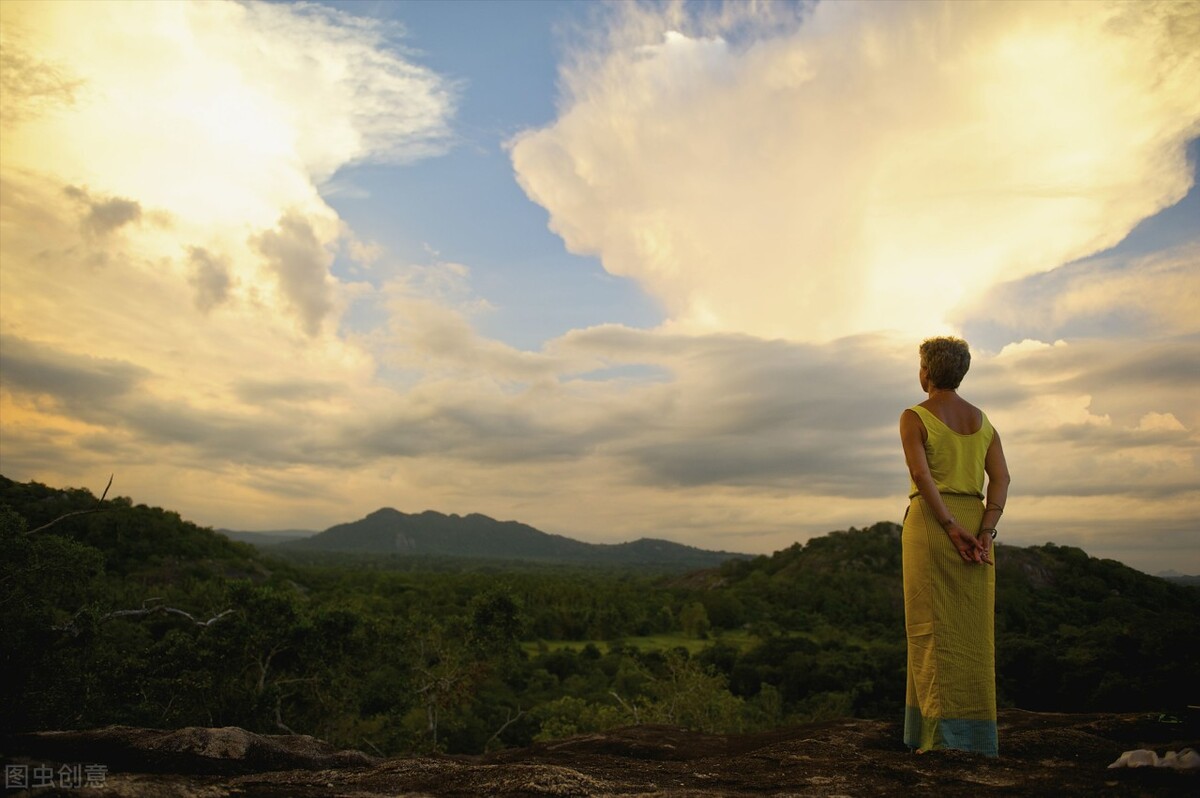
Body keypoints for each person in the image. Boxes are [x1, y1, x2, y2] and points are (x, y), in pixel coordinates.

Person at [899, 336, 1010, 758]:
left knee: (929, 628)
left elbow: (920, 474)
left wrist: (947, 524)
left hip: (933, 522)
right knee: (972, 633)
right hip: (976, 523)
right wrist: (984, 531)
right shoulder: (984, 422)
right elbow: (1001, 480)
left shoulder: (914, 416)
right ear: (961, 372)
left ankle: (938, 738)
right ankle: (975, 736)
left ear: (926, 371)